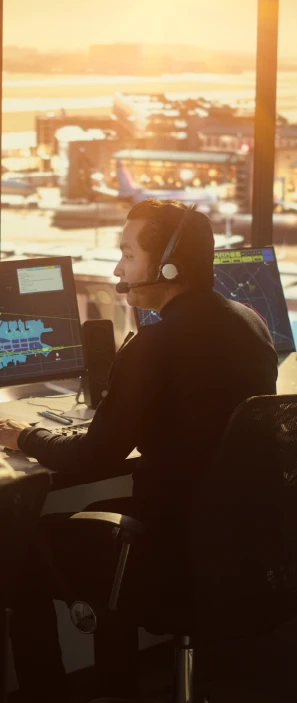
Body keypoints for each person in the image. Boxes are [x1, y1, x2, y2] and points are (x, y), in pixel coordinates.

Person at [0, 199, 278, 702]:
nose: (116, 269)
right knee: (104, 524)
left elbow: (94, 458)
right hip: (238, 542)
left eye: (127, 254)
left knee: (21, 553)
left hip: (169, 547)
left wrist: (22, 436)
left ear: (169, 266)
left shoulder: (155, 345)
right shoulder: (249, 323)